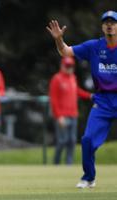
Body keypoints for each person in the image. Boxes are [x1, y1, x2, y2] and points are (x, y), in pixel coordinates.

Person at [46, 10, 117, 188]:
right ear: (102, 26)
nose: (110, 25)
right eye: (106, 22)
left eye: (113, 22)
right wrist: (58, 39)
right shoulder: (94, 47)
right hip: (103, 101)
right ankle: (89, 177)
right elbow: (65, 51)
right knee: (87, 140)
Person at [48, 57, 92, 165]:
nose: (69, 68)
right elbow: (54, 99)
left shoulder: (73, 78)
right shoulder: (56, 79)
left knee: (72, 141)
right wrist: (58, 116)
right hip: (62, 115)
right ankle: (56, 164)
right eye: (67, 66)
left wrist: (90, 96)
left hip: (73, 114)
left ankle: (69, 164)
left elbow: (77, 91)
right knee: (62, 141)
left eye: (71, 66)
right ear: (62, 66)